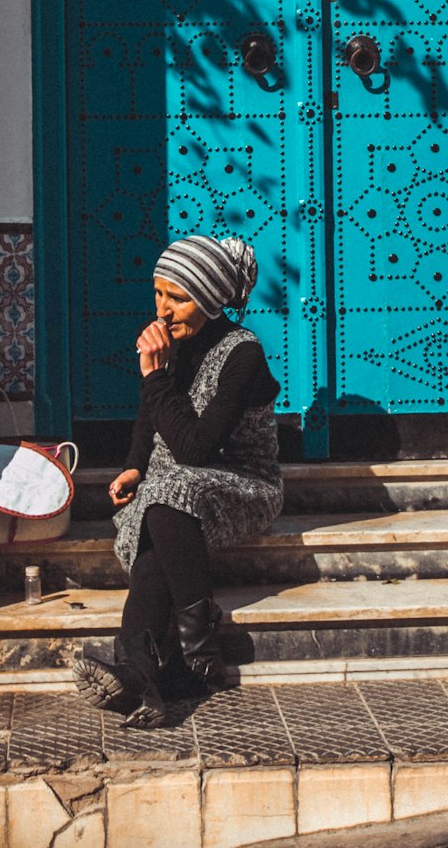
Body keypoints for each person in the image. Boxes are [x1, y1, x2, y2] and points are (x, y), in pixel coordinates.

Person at [73, 234, 283, 728]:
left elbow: (195, 449)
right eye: (159, 294)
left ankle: (196, 647)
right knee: (156, 512)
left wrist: (154, 376)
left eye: (179, 298)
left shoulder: (242, 354)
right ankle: (139, 672)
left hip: (241, 484)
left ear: (210, 300)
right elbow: (152, 420)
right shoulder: (173, 343)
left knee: (166, 497)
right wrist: (134, 465)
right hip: (176, 488)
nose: (163, 310)